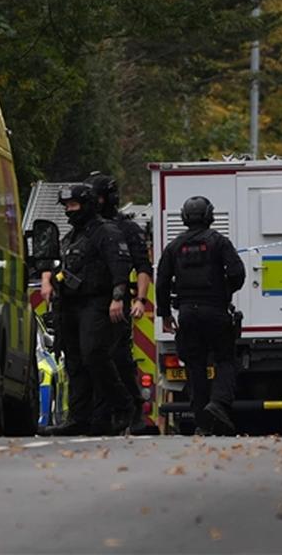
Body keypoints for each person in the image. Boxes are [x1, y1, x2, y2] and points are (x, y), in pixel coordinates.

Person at [42, 183, 135, 436]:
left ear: (88, 205)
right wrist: (48, 281)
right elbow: (57, 264)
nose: (69, 211)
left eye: (73, 205)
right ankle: (78, 418)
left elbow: (119, 265)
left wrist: (117, 297)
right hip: (70, 305)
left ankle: (122, 404)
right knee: (74, 361)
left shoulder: (106, 232)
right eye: (67, 206)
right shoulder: (71, 237)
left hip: (97, 302)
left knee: (94, 353)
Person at [155, 196, 245, 435]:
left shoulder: (174, 247)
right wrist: (224, 292)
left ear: (184, 217)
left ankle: (203, 422)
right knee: (225, 359)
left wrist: (164, 314)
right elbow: (238, 273)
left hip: (186, 314)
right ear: (210, 216)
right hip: (216, 311)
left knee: (195, 366)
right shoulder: (219, 242)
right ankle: (218, 403)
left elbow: (162, 281)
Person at [85, 172, 153, 429]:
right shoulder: (85, 227)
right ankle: (100, 413)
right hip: (88, 302)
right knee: (90, 357)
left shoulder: (127, 228)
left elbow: (143, 267)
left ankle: (132, 405)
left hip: (117, 302)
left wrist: (141, 300)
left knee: (118, 356)